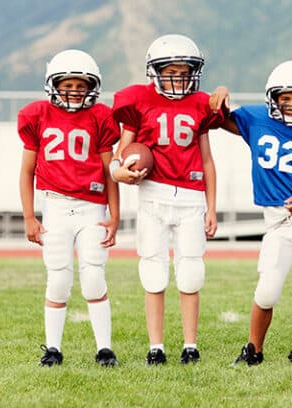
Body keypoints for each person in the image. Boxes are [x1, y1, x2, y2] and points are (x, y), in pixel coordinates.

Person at [209, 60, 292, 367]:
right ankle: (253, 349)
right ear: (274, 97)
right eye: (286, 98)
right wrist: (221, 90)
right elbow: (216, 116)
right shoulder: (256, 118)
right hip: (277, 220)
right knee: (267, 291)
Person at [110, 34, 224, 365]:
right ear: (155, 72)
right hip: (153, 193)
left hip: (191, 196)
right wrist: (118, 172)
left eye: (184, 72)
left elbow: (207, 160)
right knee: (153, 270)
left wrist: (212, 206)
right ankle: (156, 346)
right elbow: (122, 150)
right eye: (171, 71)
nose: (178, 78)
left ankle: (191, 345)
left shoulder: (201, 103)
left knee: (190, 272)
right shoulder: (138, 101)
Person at [18, 49, 120, 367]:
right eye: (68, 85)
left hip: (92, 208)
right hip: (55, 206)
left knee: (93, 278)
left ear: (92, 87)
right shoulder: (37, 115)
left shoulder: (101, 116)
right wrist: (29, 216)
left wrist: (115, 216)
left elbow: (109, 171)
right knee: (59, 280)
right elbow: (27, 171)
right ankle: (53, 348)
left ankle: (104, 349)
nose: (75, 91)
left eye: (81, 85)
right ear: (54, 85)